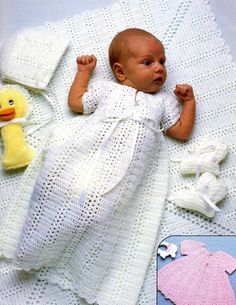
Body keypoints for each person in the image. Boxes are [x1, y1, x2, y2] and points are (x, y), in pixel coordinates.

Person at [13, 28, 195, 298]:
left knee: (101, 217)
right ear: (121, 72)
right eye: (148, 62)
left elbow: (180, 132)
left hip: (122, 179)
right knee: (56, 190)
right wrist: (83, 74)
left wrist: (189, 103)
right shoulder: (107, 90)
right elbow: (76, 103)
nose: (159, 69)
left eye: (162, 62)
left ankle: (81, 269)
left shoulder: (163, 103)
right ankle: (34, 248)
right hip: (82, 158)